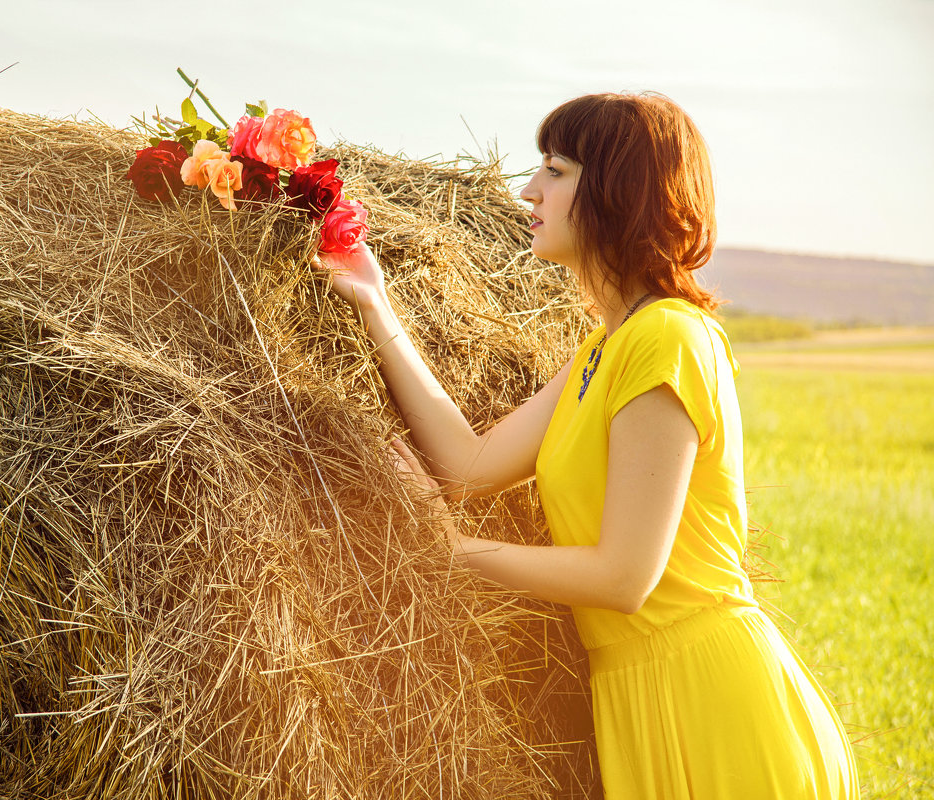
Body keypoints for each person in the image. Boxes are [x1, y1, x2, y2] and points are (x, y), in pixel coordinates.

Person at [312, 92, 859, 799]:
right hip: (640, 698)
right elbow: (469, 465)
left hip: (715, 704)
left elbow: (624, 577)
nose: (528, 191)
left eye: (557, 170)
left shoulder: (668, 339)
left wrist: (452, 551)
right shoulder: (606, 348)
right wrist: (375, 300)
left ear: (617, 189)